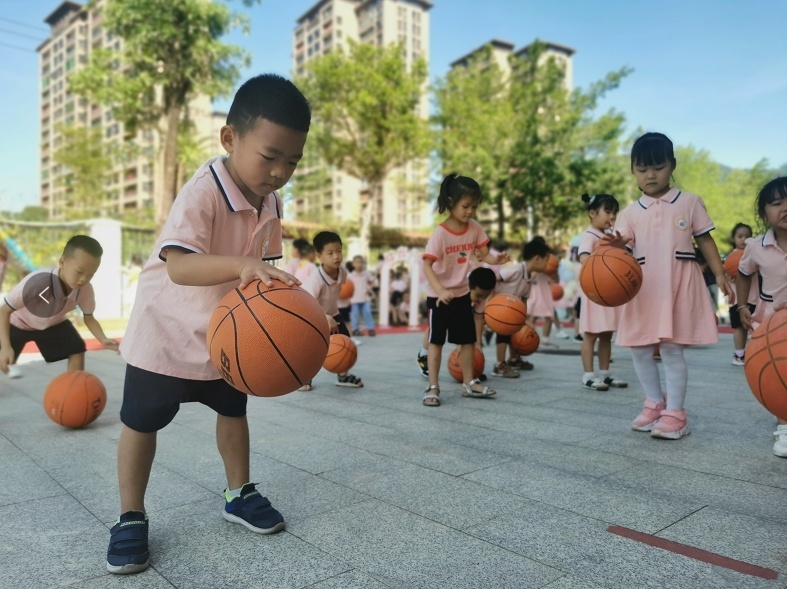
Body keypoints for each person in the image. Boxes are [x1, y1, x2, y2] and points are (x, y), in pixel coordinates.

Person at [107, 74, 311, 574]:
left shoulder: (270, 200)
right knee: (141, 422)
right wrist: (242, 266)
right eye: (270, 156)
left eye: (292, 161)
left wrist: (299, 317)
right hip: (167, 332)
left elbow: (263, 271)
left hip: (227, 334)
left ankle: (238, 493)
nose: (280, 172)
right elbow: (179, 266)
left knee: (233, 411)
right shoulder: (203, 192)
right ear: (229, 138)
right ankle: (130, 515)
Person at [605, 132, 733, 440]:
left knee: (672, 349)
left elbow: (705, 240)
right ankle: (654, 403)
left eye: (658, 167)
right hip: (644, 290)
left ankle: (675, 414)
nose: (650, 175)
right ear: (633, 171)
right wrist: (616, 249)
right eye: (642, 169)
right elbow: (620, 256)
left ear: (672, 165)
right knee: (639, 348)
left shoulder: (689, 202)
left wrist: (719, 274)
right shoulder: (629, 213)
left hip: (678, 284)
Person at [421, 173, 509, 407]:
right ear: (451, 202)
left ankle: (469, 382)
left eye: (475, 207)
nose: (470, 211)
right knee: (436, 342)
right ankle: (433, 386)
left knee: (468, 340)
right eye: (466, 206)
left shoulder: (474, 228)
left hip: (461, 294)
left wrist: (496, 259)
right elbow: (427, 265)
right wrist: (440, 290)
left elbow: (484, 254)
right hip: (439, 298)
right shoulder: (440, 234)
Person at [0, 235, 118, 379]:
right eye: (79, 272)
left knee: (76, 347)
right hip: (17, 323)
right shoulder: (38, 282)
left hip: (52, 324)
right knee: (5, 358)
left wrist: (103, 339)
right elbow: (4, 311)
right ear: (62, 262)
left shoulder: (85, 289)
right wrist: (5, 347)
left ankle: (74, 386)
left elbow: (89, 317)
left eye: (90, 275)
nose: (84, 279)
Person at [736, 177, 787, 457]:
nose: (785, 208)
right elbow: (744, 273)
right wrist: (742, 306)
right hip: (772, 321)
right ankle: (784, 426)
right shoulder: (756, 246)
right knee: (780, 372)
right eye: (777, 203)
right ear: (764, 214)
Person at [577, 193, 628, 391]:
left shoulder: (609, 237)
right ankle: (588, 375)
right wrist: (599, 266)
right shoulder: (590, 236)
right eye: (607, 211)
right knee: (591, 334)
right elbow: (584, 258)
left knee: (606, 333)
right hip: (594, 292)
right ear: (592, 213)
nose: (612, 216)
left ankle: (605, 373)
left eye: (614, 212)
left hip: (607, 292)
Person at [301, 231, 364, 390]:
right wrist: (324, 316)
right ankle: (304, 378)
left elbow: (337, 291)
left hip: (333, 314)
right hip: (313, 316)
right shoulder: (315, 279)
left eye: (339, 251)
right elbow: (306, 304)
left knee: (345, 342)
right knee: (312, 349)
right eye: (330, 253)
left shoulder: (342, 272)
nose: (336, 256)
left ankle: (343, 376)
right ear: (319, 256)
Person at [489, 236, 550, 376]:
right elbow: (493, 279)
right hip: (498, 308)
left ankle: (513, 359)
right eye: (546, 260)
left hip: (509, 311)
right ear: (537, 259)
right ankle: (499, 365)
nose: (547, 265)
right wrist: (489, 302)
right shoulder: (516, 269)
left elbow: (523, 302)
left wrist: (525, 321)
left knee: (516, 328)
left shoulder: (528, 278)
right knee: (504, 332)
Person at [726, 223, 755, 366]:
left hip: (754, 297)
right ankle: (739, 354)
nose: (744, 239)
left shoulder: (755, 254)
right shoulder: (731, 257)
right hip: (737, 299)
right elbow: (724, 274)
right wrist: (728, 275)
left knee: (755, 327)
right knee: (739, 327)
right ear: (734, 238)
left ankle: (756, 353)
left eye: (747, 236)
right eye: (740, 236)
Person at [348, 255, 377, 336]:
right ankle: (355, 329)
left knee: (368, 312)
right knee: (355, 314)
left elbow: (372, 282)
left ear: (363, 263)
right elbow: (346, 287)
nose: (359, 264)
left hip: (365, 298)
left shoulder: (366, 274)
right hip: (354, 299)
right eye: (357, 262)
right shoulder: (350, 276)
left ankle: (370, 329)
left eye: (361, 262)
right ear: (353, 264)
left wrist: (369, 288)